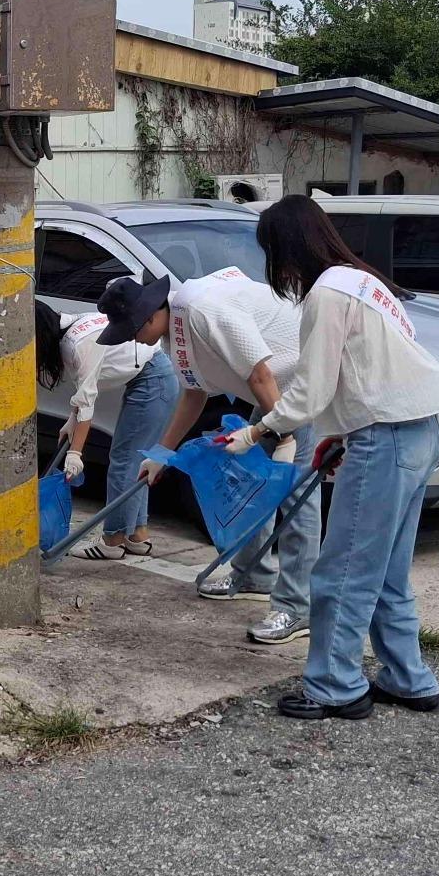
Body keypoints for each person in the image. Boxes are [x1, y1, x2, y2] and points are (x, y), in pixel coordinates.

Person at [223, 196, 439, 720]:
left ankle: (335, 685)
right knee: (387, 571)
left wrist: (258, 430)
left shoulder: (327, 293)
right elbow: (369, 368)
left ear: (286, 248)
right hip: (419, 431)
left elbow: (311, 387)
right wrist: (342, 436)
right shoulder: (363, 281)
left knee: (343, 569)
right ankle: (408, 678)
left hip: (385, 437)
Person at [101, 263, 316, 645]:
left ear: (150, 316)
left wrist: (284, 437)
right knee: (250, 482)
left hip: (297, 386)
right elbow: (195, 394)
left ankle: (298, 607)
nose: (134, 340)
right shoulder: (175, 328)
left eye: (133, 331)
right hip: (273, 394)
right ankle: (253, 575)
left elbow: (260, 374)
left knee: (295, 495)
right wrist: (162, 454)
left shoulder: (201, 309)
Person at [35, 297, 178, 560]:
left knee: (124, 462)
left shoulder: (77, 344)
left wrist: (75, 453)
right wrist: (72, 421)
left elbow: (87, 400)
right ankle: (137, 535)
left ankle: (112, 541)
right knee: (137, 460)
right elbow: (84, 394)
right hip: (153, 377)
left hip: (153, 380)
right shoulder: (76, 325)